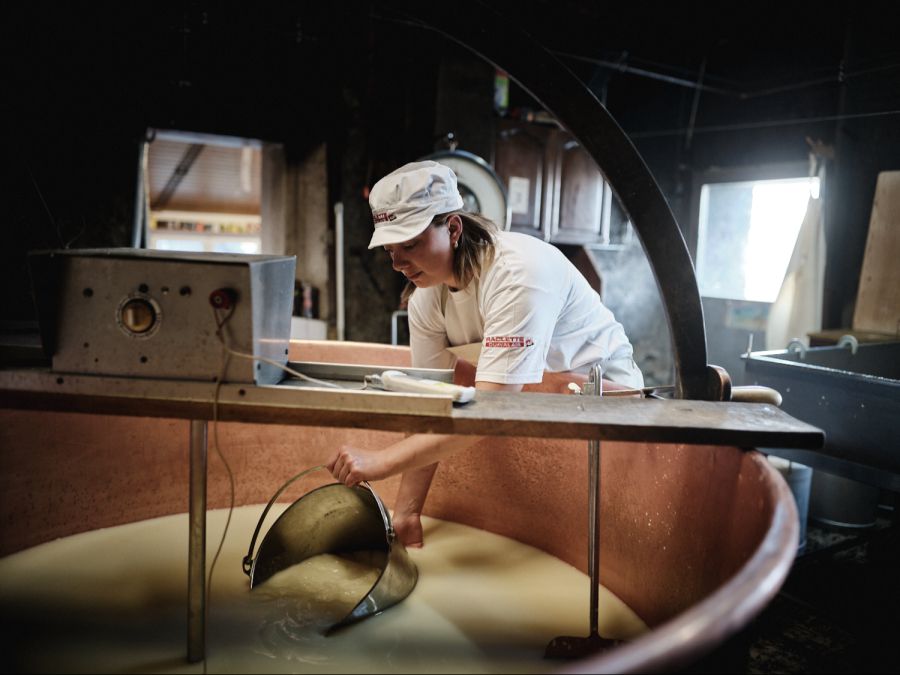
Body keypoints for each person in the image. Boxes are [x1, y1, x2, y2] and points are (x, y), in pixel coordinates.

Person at [327, 160, 643, 547]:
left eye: (410, 244)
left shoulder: (517, 274)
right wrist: (406, 514)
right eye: (391, 249)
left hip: (608, 413)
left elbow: (493, 410)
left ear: (454, 228)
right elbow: (431, 405)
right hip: (526, 406)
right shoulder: (426, 298)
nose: (397, 263)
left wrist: (383, 461)